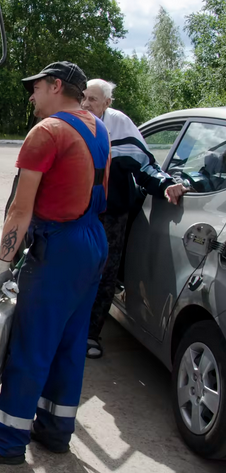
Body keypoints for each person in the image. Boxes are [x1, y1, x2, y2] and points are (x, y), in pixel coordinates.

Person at [0, 62, 109, 465]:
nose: (31, 95)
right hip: (92, 241)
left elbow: (21, 211)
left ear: (56, 86)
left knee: (31, 346)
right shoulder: (98, 127)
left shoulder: (47, 132)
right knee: (70, 343)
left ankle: (6, 442)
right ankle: (55, 432)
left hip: (58, 248)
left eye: (37, 87)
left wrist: (3, 265)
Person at [81, 79, 187, 358]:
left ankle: (90, 334)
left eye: (93, 99)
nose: (87, 104)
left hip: (111, 214)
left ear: (107, 103)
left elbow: (145, 166)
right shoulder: (74, 122)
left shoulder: (119, 126)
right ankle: (66, 330)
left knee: (103, 273)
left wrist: (166, 185)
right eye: (84, 97)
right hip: (77, 212)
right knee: (74, 270)